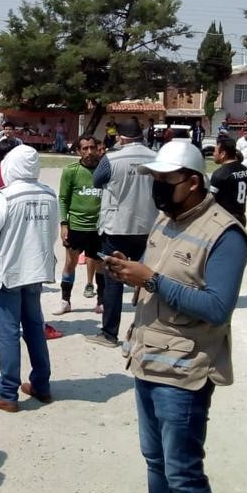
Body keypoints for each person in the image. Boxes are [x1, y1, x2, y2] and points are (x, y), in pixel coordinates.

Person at [105, 139, 247, 493]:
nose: (157, 188)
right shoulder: (164, 222)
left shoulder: (225, 235)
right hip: (147, 357)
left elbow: (217, 308)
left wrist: (150, 279)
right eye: (154, 179)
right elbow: (157, 276)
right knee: (155, 461)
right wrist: (130, 270)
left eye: (165, 181)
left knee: (184, 473)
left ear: (191, 182)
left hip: (185, 372)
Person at [0, 145, 59, 412]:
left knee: (8, 331)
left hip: (8, 272)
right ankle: (41, 385)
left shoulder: (5, 197)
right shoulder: (48, 194)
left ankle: (7, 392)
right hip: (36, 271)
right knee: (35, 326)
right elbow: (51, 233)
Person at [87, 118, 158, 347]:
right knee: (147, 279)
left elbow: (97, 181)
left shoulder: (112, 157)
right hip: (148, 226)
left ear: (122, 137)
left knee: (113, 282)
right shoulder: (156, 157)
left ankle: (109, 333)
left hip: (117, 226)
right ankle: (148, 331)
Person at [54, 136, 105, 320]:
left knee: (100, 265)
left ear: (98, 148)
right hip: (76, 226)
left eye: (92, 147)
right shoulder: (71, 171)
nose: (89, 152)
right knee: (70, 263)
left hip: (99, 228)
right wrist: (63, 224)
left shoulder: (105, 169)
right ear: (78, 151)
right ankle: (65, 301)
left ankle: (101, 302)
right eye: (85, 148)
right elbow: (63, 199)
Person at [209, 137, 247, 227]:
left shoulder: (219, 174)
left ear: (223, 154)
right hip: (241, 219)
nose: (214, 154)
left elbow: (209, 200)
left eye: (215, 151)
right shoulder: (245, 170)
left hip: (224, 221)